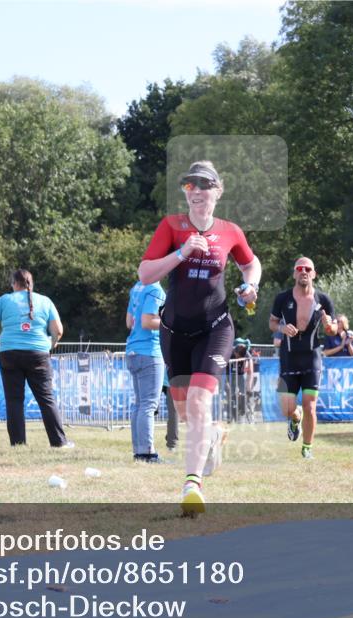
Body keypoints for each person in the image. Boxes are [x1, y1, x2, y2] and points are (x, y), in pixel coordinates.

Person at [138, 161, 261, 514]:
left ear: (217, 191)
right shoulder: (171, 227)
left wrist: (250, 286)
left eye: (203, 186)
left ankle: (192, 485)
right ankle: (213, 435)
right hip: (175, 332)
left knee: (197, 401)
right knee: (185, 412)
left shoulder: (230, 231)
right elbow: (145, 273)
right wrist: (181, 253)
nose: (196, 192)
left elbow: (251, 264)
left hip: (215, 328)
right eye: (189, 186)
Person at [0, 268, 75, 449]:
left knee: (14, 400)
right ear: (31, 284)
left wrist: (4, 320)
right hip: (38, 353)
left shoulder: (5, 299)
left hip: (9, 353)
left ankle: (18, 444)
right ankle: (59, 442)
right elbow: (59, 330)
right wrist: (51, 344)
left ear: (14, 284)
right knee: (46, 398)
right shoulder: (45, 301)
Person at [270, 257, 336, 460]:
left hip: (312, 358)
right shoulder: (282, 298)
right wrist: (282, 328)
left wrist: (328, 325)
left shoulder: (323, 300)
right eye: (299, 268)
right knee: (288, 409)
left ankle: (307, 448)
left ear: (314, 274)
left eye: (308, 268)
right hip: (288, 358)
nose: (304, 271)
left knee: (310, 405)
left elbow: (333, 330)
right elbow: (272, 323)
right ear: (294, 274)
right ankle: (294, 418)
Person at [125, 276, 166, 463]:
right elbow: (148, 322)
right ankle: (147, 452)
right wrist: (171, 322)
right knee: (149, 405)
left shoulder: (137, 288)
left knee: (140, 405)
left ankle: (139, 451)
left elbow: (129, 322)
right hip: (149, 351)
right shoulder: (156, 290)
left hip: (133, 350)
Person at [227, 338, 254, 423]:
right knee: (230, 394)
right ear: (234, 352)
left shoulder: (246, 354)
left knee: (245, 394)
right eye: (237, 356)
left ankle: (249, 416)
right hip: (230, 374)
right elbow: (225, 372)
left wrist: (248, 386)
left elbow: (250, 371)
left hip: (241, 374)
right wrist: (227, 384)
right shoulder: (228, 353)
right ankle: (230, 417)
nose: (238, 357)